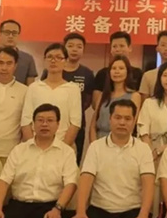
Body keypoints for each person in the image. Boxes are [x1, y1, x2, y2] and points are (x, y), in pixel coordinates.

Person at [38, 33, 94, 163]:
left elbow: (88, 100)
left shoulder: (87, 73)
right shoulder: (51, 70)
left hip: (75, 125)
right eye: (71, 46)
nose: (74, 49)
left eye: (79, 46)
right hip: (48, 125)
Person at [21, 43, 81, 149]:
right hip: (35, 146)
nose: (53, 61)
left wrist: (62, 148)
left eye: (59, 57)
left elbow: (75, 123)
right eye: (50, 57)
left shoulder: (73, 89)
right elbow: (26, 121)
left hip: (63, 146)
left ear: (66, 61)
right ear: (44, 61)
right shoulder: (34, 87)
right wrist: (34, 146)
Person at [90, 55, 141, 142]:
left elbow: (131, 126)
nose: (117, 71)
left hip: (122, 141)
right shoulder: (102, 95)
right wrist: (94, 145)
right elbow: (93, 126)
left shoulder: (134, 96)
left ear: (127, 72)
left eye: (121, 68)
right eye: (113, 68)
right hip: (99, 141)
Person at [92, 31, 144, 108]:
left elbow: (141, 103)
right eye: (114, 46)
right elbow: (95, 104)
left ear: (130, 48)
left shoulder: (138, 73)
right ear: (111, 49)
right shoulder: (102, 73)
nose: (118, 49)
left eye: (121, 46)